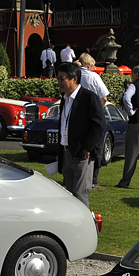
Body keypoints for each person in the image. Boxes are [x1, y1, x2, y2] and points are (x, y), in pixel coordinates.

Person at [55, 61, 105, 207]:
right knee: (69, 193)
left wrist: (88, 147)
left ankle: (85, 226)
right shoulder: (64, 99)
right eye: (58, 78)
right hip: (67, 151)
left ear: (74, 79)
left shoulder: (88, 97)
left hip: (82, 153)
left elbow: (99, 124)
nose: (59, 82)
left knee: (80, 193)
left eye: (62, 78)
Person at [75, 53, 109, 186]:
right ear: (89, 65)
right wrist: (99, 110)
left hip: (78, 115)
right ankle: (94, 179)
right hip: (92, 114)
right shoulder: (93, 76)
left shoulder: (75, 76)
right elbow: (104, 96)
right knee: (96, 145)